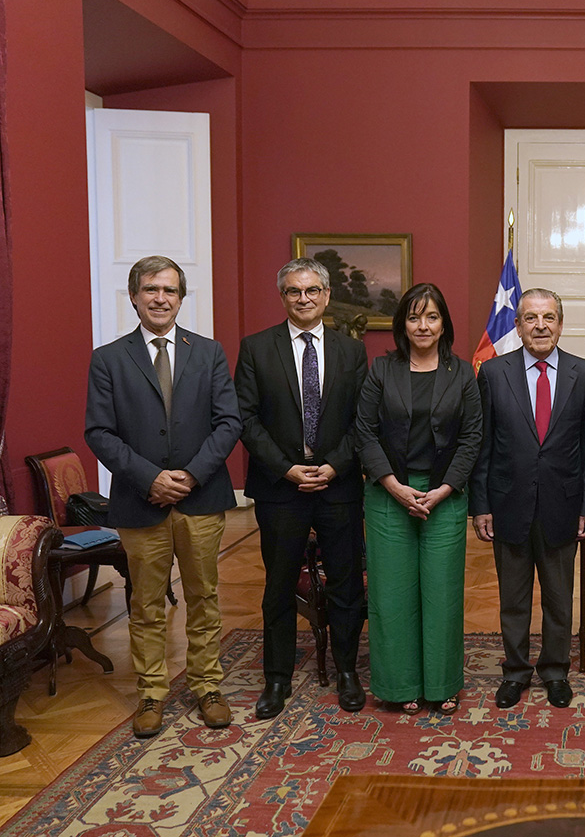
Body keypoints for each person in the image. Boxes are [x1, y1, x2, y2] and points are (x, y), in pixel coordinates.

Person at [85, 255, 241, 738]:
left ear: (181, 297)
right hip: (140, 502)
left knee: (204, 597)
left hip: (201, 499)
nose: (160, 298)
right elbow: (99, 432)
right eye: (151, 289)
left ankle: (207, 686)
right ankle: (151, 693)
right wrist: (150, 478)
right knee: (146, 603)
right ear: (134, 296)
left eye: (169, 290)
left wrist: (190, 475)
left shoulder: (208, 352)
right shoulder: (109, 358)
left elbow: (229, 422)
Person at [235, 258, 368, 719]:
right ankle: (277, 678)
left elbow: (363, 420)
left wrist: (334, 465)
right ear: (283, 297)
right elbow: (245, 419)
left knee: (346, 584)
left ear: (327, 296)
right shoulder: (256, 348)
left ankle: (347, 671)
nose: (304, 298)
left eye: (312, 290)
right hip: (281, 489)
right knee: (278, 587)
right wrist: (286, 468)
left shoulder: (352, 352)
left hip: (338, 486)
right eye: (294, 291)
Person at [471, 289, 585, 710]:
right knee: (513, 598)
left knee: (559, 598)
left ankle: (555, 670)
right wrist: (481, 505)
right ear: (518, 325)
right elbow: (483, 445)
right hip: (508, 503)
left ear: (560, 324)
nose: (540, 326)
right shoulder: (493, 373)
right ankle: (515, 671)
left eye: (548, 318)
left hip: (563, 504)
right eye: (531, 318)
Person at [355, 282, 481, 715]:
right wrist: (393, 485)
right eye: (414, 317)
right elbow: (364, 432)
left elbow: (472, 437)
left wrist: (444, 490)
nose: (423, 325)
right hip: (389, 494)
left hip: (445, 494)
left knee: (442, 594)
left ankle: (442, 684)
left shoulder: (462, 373)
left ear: (444, 323)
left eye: (431, 316)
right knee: (391, 595)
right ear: (402, 325)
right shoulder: (381, 370)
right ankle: (399, 685)